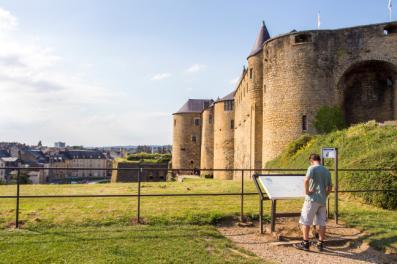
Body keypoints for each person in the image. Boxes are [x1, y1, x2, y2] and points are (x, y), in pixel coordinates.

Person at [294, 153, 332, 251]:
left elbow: (306, 180)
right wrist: (325, 195)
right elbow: (330, 187)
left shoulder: (312, 168)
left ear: (311, 161)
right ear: (319, 160)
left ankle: (305, 243)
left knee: (306, 221)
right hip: (322, 200)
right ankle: (320, 244)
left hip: (311, 199)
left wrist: (307, 192)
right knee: (321, 223)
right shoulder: (326, 170)